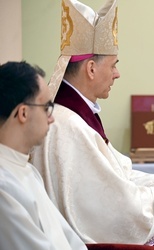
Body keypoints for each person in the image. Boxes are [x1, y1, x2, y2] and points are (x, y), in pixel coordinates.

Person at [30, 0, 154, 249]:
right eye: (114, 64)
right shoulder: (68, 126)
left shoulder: (77, 116)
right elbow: (108, 206)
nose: (117, 74)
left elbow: (119, 175)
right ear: (91, 69)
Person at [0, 61, 87, 250]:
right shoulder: (3, 186)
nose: (51, 117)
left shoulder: (29, 171)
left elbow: (69, 240)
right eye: (46, 107)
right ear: (23, 113)